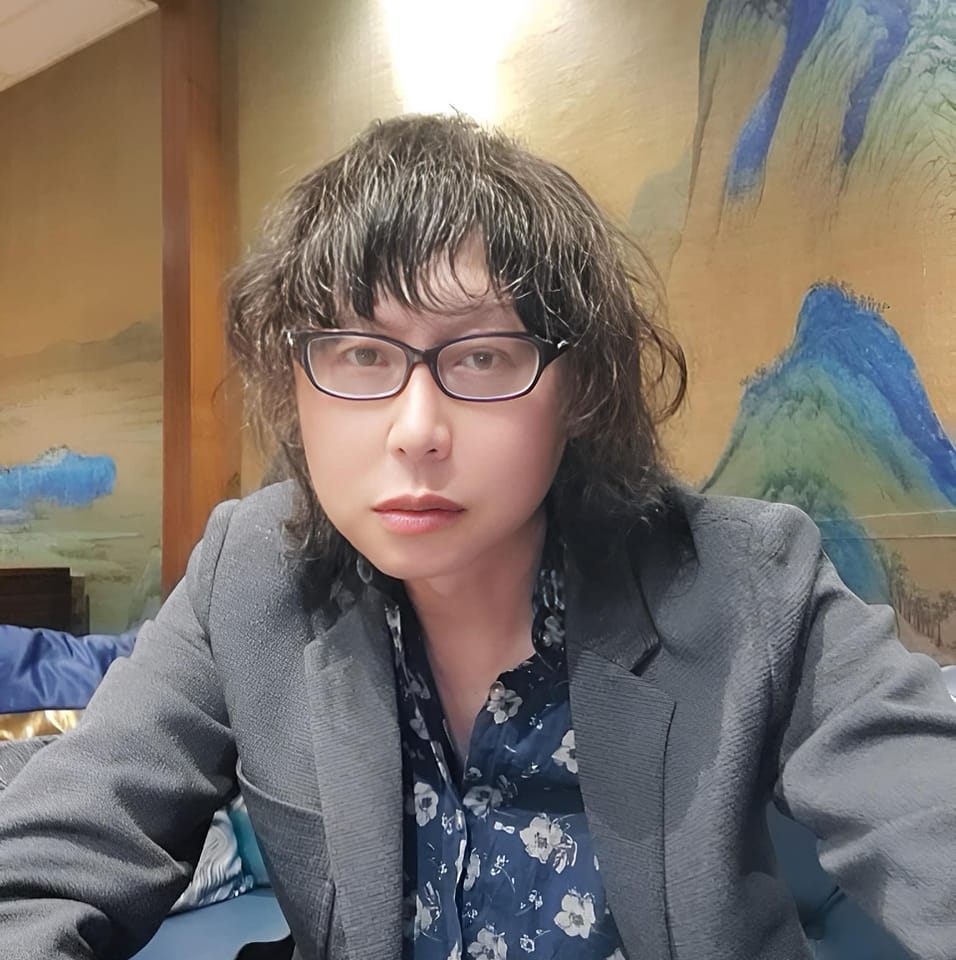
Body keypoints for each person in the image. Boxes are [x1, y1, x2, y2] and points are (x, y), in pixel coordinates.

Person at [0, 114, 954, 960]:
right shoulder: (249, 574)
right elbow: (51, 862)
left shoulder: (747, 582)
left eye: (485, 355)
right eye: (360, 353)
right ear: (296, 383)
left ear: (577, 391)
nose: (416, 429)